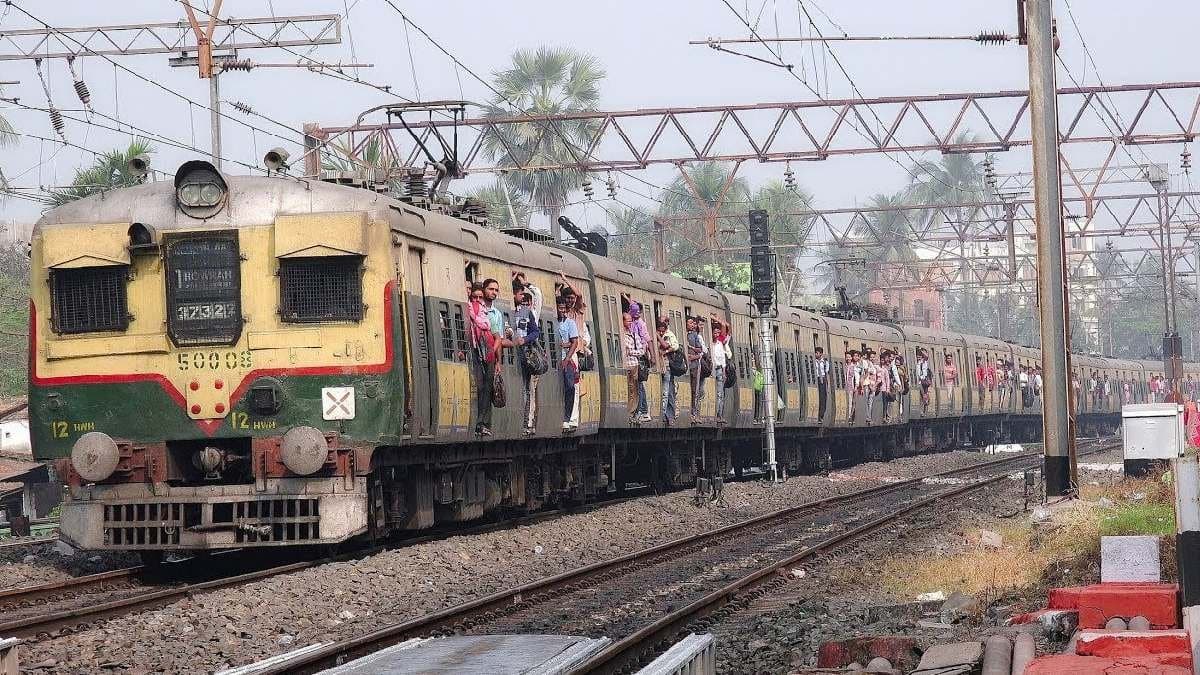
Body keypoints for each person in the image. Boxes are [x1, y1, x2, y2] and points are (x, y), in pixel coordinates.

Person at [472, 278, 511, 437]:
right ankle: (477, 422)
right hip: (476, 352)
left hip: (489, 355)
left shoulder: (496, 314)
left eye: (496, 290)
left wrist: (497, 360)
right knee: (479, 387)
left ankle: (484, 423)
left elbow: (498, 338)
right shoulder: (476, 308)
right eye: (491, 289)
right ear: (484, 290)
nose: (494, 292)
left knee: (488, 388)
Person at [512, 274, 543, 435]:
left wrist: (524, 339)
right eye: (520, 294)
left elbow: (535, 332)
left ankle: (526, 423)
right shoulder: (510, 312)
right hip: (512, 354)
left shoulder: (526, 312)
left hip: (525, 354)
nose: (522, 297)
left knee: (527, 389)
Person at [557, 297, 581, 432]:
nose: (561, 311)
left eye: (563, 308)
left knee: (570, 387)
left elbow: (575, 343)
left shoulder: (570, 323)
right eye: (559, 308)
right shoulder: (554, 322)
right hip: (556, 360)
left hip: (567, 360)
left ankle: (567, 418)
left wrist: (567, 358)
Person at [621, 312, 644, 425]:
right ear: (622, 321)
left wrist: (630, 352)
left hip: (633, 365)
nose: (630, 323)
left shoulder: (634, 336)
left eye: (631, 320)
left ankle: (631, 413)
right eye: (628, 320)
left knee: (633, 390)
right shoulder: (620, 335)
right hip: (623, 365)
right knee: (625, 389)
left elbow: (641, 351)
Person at [657, 317, 681, 426]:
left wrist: (666, 351)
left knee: (667, 392)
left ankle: (665, 414)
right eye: (660, 330)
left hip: (667, 366)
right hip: (658, 366)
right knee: (664, 391)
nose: (661, 332)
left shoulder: (669, 335)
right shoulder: (657, 334)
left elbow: (674, 346)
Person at [685, 316, 708, 424]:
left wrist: (692, 352)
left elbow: (701, 351)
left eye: (693, 323)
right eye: (691, 323)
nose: (693, 325)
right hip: (685, 366)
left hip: (694, 365)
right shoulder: (683, 334)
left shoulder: (695, 335)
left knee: (695, 390)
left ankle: (694, 413)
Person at [710, 314, 730, 424]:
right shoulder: (710, 343)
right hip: (711, 369)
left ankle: (719, 414)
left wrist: (724, 372)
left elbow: (723, 359)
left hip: (719, 370)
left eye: (718, 333)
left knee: (720, 393)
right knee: (712, 392)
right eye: (715, 333)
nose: (717, 335)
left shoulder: (720, 343)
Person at [814, 346, 829, 422]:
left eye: (817, 353)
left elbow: (826, 373)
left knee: (823, 398)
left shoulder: (825, 363)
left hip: (822, 380)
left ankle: (821, 415)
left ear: (821, 354)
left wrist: (827, 385)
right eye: (815, 353)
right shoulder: (813, 361)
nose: (816, 354)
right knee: (817, 397)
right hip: (816, 378)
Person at [844, 350, 859, 422]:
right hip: (845, 386)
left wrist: (856, 386)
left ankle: (849, 416)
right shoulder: (844, 366)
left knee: (850, 402)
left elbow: (857, 377)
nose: (848, 358)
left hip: (850, 386)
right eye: (847, 357)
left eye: (849, 357)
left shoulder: (854, 367)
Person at [916, 349, 932, 414]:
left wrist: (921, 378)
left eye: (920, 356)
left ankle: (924, 410)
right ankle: (922, 409)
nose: (918, 357)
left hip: (923, 382)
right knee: (921, 395)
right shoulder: (916, 363)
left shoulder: (924, 363)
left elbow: (924, 373)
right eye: (917, 356)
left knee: (924, 395)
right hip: (919, 382)